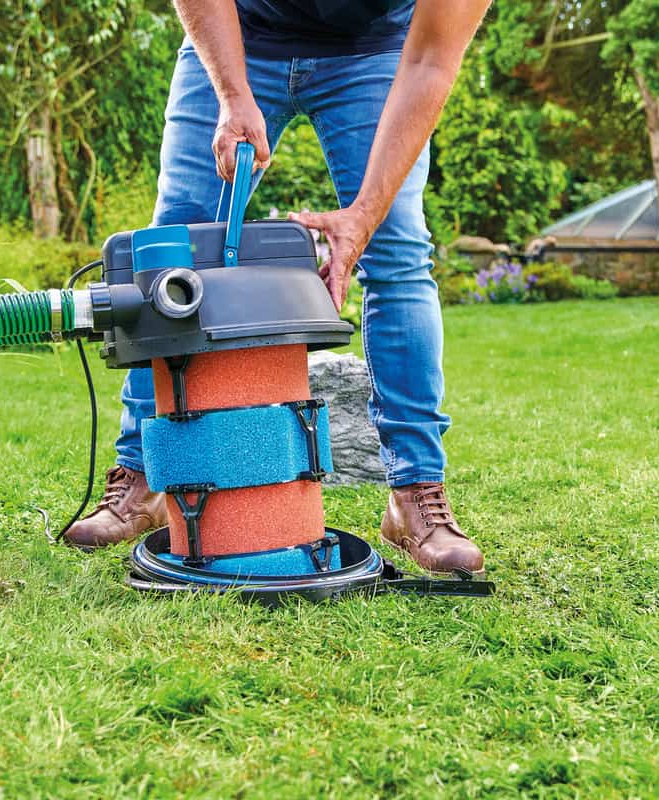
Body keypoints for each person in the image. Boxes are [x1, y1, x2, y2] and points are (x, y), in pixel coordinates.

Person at [64, 0, 490, 576]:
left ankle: (415, 492)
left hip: (375, 53)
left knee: (397, 253)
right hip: (237, 32)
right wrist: (234, 95)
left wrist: (362, 217)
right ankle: (145, 476)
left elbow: (432, 63)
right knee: (167, 254)